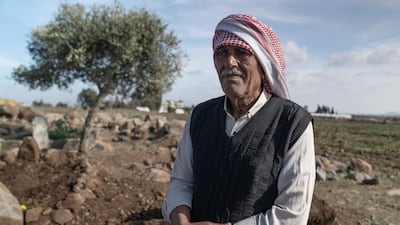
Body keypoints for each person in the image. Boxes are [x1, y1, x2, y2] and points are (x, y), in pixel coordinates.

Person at [162, 14, 315, 225]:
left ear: (263, 64)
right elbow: (182, 183)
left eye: (242, 53)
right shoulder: (200, 115)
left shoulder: (293, 123)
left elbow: (291, 215)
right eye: (222, 53)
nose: (229, 62)